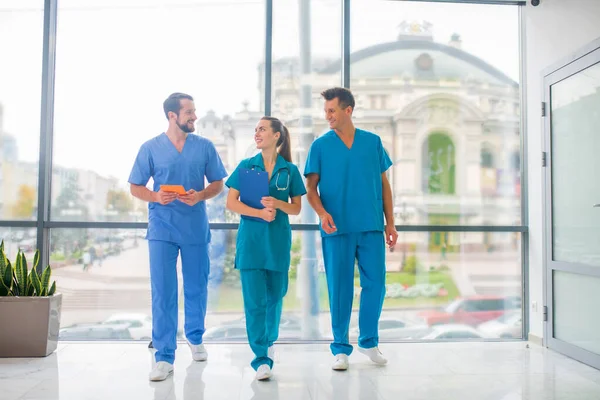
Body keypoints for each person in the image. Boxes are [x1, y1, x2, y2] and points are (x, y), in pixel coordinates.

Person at [128, 92, 228, 382]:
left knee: (197, 287)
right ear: (173, 115)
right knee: (164, 292)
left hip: (195, 227)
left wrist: (201, 195)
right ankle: (163, 356)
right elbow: (136, 186)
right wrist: (156, 196)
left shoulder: (205, 147)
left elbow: (218, 183)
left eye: (194, 112)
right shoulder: (150, 148)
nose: (194, 117)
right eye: (189, 112)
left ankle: (195, 338)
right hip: (162, 229)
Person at [304, 87, 398, 371]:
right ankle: (340, 348)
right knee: (339, 288)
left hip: (370, 225)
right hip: (336, 228)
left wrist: (390, 222)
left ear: (348, 110)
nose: (328, 116)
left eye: (332, 110)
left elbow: (384, 185)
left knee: (376, 285)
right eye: (325, 111)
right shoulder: (320, 146)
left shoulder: (372, 142)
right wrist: (322, 214)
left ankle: (368, 341)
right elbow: (310, 188)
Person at [225, 116, 306, 381]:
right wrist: (259, 214)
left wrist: (277, 204)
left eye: (262, 129)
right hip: (251, 244)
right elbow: (232, 203)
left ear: (276, 136)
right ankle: (260, 357)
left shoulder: (289, 170)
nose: (257, 133)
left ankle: (269, 340)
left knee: (276, 296)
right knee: (255, 302)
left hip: (277, 243)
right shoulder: (247, 167)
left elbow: (296, 208)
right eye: (255, 130)